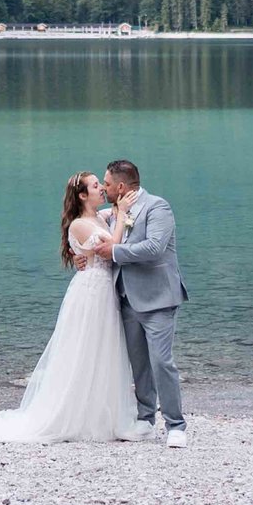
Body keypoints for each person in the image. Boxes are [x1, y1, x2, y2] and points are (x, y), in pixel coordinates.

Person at [0, 172, 137, 443]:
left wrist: (121, 205)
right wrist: (123, 212)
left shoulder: (98, 218)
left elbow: (112, 217)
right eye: (95, 186)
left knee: (103, 350)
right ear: (82, 195)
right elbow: (112, 245)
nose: (102, 188)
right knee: (84, 349)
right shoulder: (79, 225)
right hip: (91, 293)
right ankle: (73, 414)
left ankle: (100, 413)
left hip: (105, 291)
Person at [85, 157, 189, 447]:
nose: (103, 189)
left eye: (106, 184)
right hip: (125, 296)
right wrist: (82, 253)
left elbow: (155, 248)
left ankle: (176, 425)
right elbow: (87, 225)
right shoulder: (117, 210)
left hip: (157, 298)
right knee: (138, 362)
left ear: (120, 186)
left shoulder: (157, 207)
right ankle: (145, 419)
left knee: (161, 361)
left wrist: (114, 252)